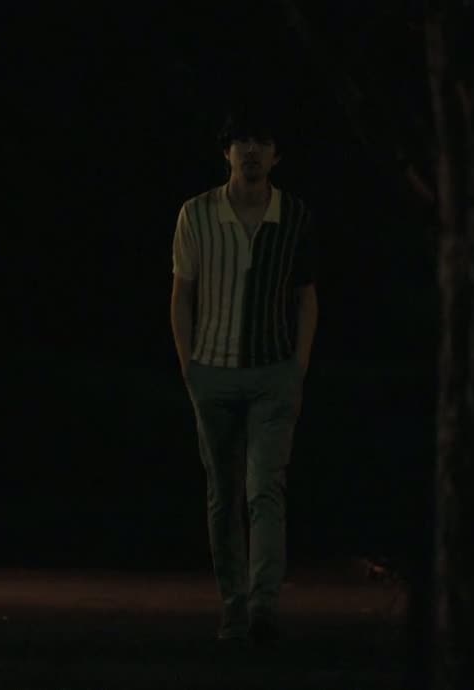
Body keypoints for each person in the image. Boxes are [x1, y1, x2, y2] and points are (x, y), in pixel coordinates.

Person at [169, 103, 318, 647]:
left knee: (265, 489)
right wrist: (189, 365)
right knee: (224, 493)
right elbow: (182, 293)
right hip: (213, 371)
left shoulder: (293, 216)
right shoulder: (197, 214)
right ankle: (233, 606)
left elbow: (306, 296)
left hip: (272, 372)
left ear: (276, 155)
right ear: (226, 151)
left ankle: (262, 607)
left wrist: (297, 367)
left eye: (262, 141)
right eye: (242, 141)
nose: (251, 151)